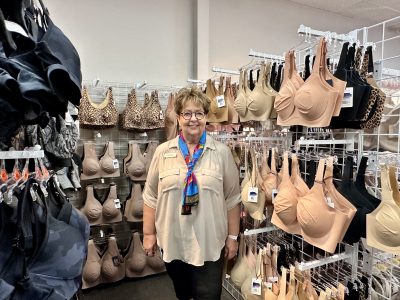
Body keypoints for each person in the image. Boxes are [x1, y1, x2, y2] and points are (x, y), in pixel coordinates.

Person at [143, 86, 241, 300]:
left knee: (208, 295)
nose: (193, 119)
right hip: (173, 240)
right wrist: (149, 234)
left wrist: (233, 237)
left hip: (210, 243)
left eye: (199, 113)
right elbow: (150, 196)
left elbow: (233, 198)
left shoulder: (222, 153)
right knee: (183, 294)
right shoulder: (162, 152)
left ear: (206, 117)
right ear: (178, 118)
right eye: (187, 113)